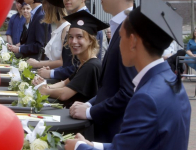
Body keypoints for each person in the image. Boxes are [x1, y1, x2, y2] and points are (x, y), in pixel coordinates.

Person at [65, 0, 191, 150]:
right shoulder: (170, 80)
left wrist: (79, 147)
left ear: (132, 41)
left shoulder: (146, 97)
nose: (118, 44)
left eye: (121, 37)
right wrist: (92, 145)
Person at [69, 0, 137, 143]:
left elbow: (128, 91)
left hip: (115, 130)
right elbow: (109, 85)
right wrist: (89, 104)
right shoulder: (120, 25)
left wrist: (90, 112)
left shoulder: (131, 27)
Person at [32, 10, 108, 108]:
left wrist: (44, 90)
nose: (73, 41)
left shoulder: (91, 66)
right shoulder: (83, 62)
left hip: (80, 121)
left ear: (90, 40)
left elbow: (64, 94)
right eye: (71, 37)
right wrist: (44, 85)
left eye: (79, 37)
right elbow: (65, 83)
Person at [36, 0, 103, 80]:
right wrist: (53, 71)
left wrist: (52, 73)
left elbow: (81, 67)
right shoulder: (74, 20)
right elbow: (68, 63)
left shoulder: (90, 23)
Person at [27, 0, 70, 69]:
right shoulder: (57, 27)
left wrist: (38, 64)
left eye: (44, 4)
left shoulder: (66, 29)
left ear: (52, 7)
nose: (43, 9)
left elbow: (63, 62)